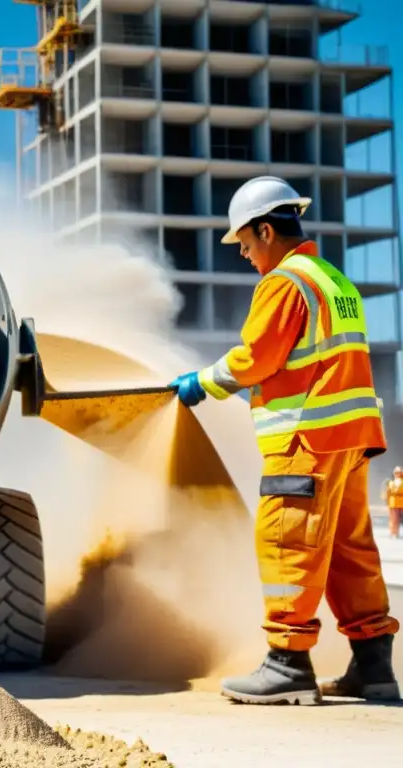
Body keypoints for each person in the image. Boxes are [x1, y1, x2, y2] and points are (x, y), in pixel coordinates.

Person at [170, 175, 400, 705]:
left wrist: (202, 383)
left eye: (247, 245)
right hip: (352, 436)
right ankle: (373, 666)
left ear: (267, 230)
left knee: (286, 540)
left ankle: (287, 662)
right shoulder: (334, 280)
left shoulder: (284, 283)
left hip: (307, 437)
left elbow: (258, 357)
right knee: (348, 550)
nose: (247, 257)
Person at [386, 467, 403, 539]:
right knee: (393, 519)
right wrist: (388, 502)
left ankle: (397, 532)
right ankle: (393, 532)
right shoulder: (391, 483)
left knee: (399, 519)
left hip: (401, 502)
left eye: (398, 473)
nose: (397, 474)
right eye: (396, 473)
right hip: (393, 503)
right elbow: (388, 493)